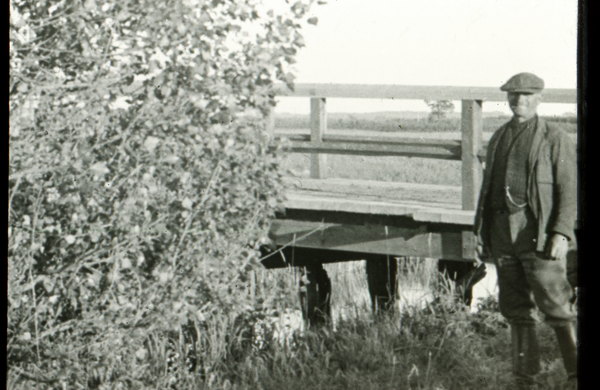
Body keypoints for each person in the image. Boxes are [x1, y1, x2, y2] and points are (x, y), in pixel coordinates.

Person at [473, 72, 578, 390]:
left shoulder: (554, 137)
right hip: (504, 234)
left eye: (527, 95)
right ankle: (525, 381)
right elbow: (488, 192)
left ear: (539, 98)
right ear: (507, 99)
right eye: (514, 95)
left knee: (558, 307)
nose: (520, 100)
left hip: (540, 236)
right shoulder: (500, 137)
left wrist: (561, 232)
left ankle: (576, 374)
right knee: (517, 309)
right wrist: (482, 234)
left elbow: (569, 188)